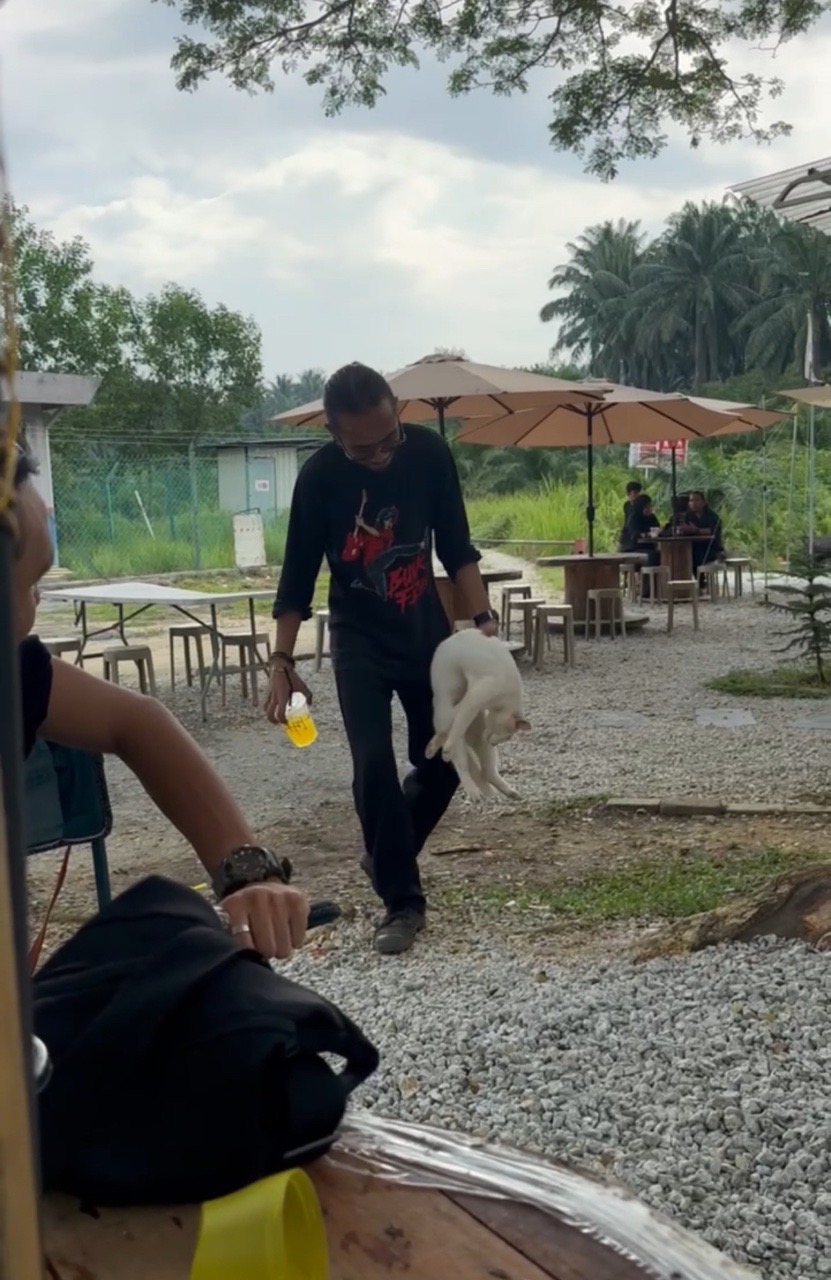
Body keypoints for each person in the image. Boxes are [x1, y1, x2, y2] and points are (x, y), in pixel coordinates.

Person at [11, 446, 308, 960]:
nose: (36, 607)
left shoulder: (15, 672)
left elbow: (138, 722)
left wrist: (246, 873)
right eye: (28, 583)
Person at [266, 362, 498, 956]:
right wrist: (280, 662)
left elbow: (458, 548)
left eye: (388, 437)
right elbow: (296, 579)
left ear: (398, 410)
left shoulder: (427, 454)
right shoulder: (319, 480)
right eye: (361, 447)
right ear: (333, 433)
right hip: (358, 642)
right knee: (372, 766)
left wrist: (485, 626)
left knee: (451, 754)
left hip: (426, 636)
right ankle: (403, 903)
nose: (379, 455)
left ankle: (384, 857)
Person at [679, 490, 724, 573]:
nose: (694, 503)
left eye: (697, 500)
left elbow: (712, 530)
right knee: (683, 553)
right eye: (691, 500)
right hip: (694, 547)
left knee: (695, 554)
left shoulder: (712, 516)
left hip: (711, 548)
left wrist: (696, 530)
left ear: (704, 502)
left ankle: (700, 581)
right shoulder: (688, 516)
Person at [618, 480, 643, 549]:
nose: (637, 495)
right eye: (635, 493)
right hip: (627, 533)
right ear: (628, 493)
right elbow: (626, 520)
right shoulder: (627, 505)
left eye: (638, 493)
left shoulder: (641, 506)